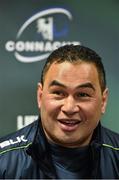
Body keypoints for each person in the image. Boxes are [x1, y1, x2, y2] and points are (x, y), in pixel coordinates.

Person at [0, 44, 119, 179]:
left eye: (83, 95)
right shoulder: (3, 162)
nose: (69, 108)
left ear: (103, 101)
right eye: (58, 92)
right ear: (40, 96)